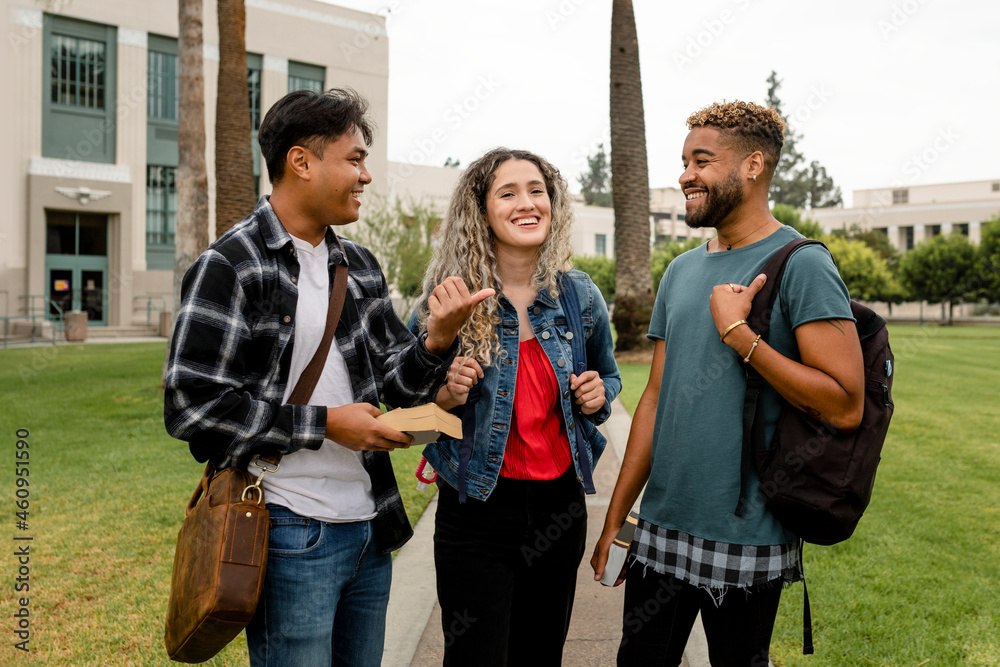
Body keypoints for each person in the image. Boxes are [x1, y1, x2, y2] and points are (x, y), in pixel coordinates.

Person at [163, 88, 492, 667]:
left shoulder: (358, 264)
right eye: (355, 158)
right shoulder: (231, 265)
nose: (366, 176)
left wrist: (437, 338)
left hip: (369, 525)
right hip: (288, 526)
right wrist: (326, 425)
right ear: (302, 161)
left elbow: (398, 383)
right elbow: (193, 407)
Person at [591, 100, 865, 666]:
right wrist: (618, 516)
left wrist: (740, 336)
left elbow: (845, 405)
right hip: (661, 528)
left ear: (753, 166)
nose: (685, 174)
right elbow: (655, 400)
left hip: (749, 536)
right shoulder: (681, 271)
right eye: (684, 161)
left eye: (702, 160)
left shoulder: (802, 263)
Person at [407, 147, 621, 666]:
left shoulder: (580, 296)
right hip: (477, 511)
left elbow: (608, 376)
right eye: (508, 193)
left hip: (559, 509)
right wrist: (446, 394)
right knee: (475, 656)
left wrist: (599, 395)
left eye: (537, 190)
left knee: (539, 654)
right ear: (480, 211)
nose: (527, 203)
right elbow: (406, 409)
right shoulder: (448, 300)